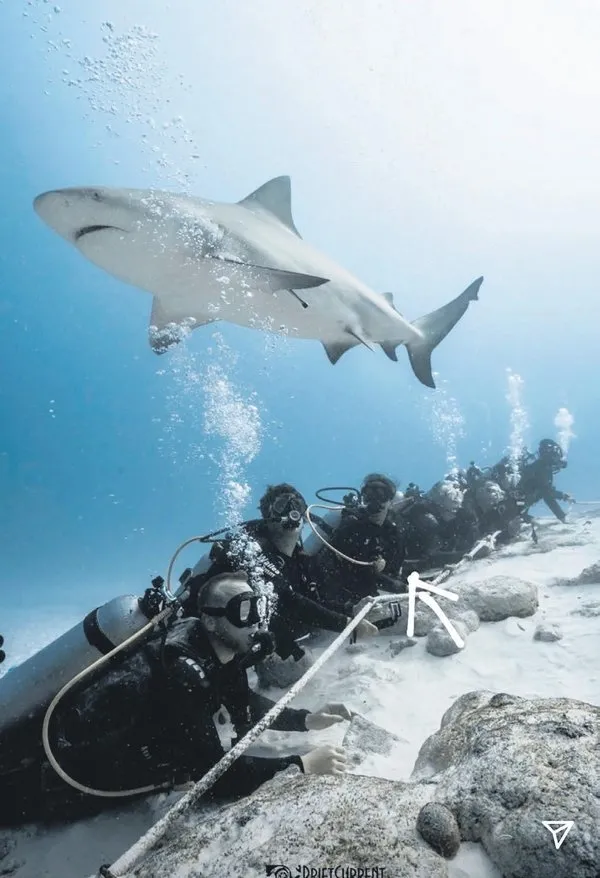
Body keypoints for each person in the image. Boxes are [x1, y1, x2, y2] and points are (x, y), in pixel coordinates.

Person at [0, 572, 351, 827]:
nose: (256, 622)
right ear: (212, 622)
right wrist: (299, 765)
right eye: (244, 611)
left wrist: (304, 719)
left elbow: (246, 703)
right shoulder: (183, 674)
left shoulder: (220, 653)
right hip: (61, 780)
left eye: (257, 607)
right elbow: (214, 775)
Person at [180, 483, 378, 663]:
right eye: (283, 504)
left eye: (298, 504)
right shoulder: (252, 547)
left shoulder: (301, 562)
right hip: (202, 645)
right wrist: (344, 623)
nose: (292, 509)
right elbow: (287, 600)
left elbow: (312, 601)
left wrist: (350, 609)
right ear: (269, 515)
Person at [315, 473, 408, 613]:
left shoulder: (393, 533)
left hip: (370, 592)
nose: (375, 502)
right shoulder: (351, 525)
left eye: (382, 495)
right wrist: (400, 587)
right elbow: (353, 569)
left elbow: (395, 568)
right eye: (370, 495)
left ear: (391, 501)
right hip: (338, 595)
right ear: (364, 497)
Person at [516, 439, 574, 522]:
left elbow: (546, 491)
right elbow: (547, 493)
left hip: (519, 503)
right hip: (519, 503)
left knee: (521, 514)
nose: (557, 459)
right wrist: (564, 497)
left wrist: (564, 496)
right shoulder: (541, 468)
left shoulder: (540, 466)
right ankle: (562, 518)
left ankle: (522, 516)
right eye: (555, 455)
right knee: (520, 514)